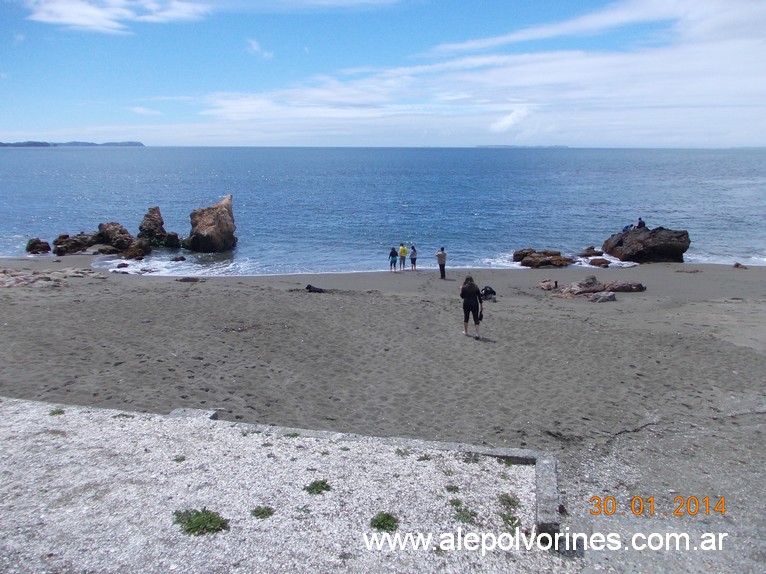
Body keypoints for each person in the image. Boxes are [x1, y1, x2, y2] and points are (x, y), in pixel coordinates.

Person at [459, 275, 483, 340]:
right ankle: (477, 333)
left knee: (466, 317)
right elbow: (480, 298)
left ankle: (466, 331)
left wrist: (461, 290)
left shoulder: (464, 288)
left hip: (466, 304)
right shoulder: (476, 287)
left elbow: (462, 296)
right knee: (476, 318)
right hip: (475, 304)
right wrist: (481, 307)